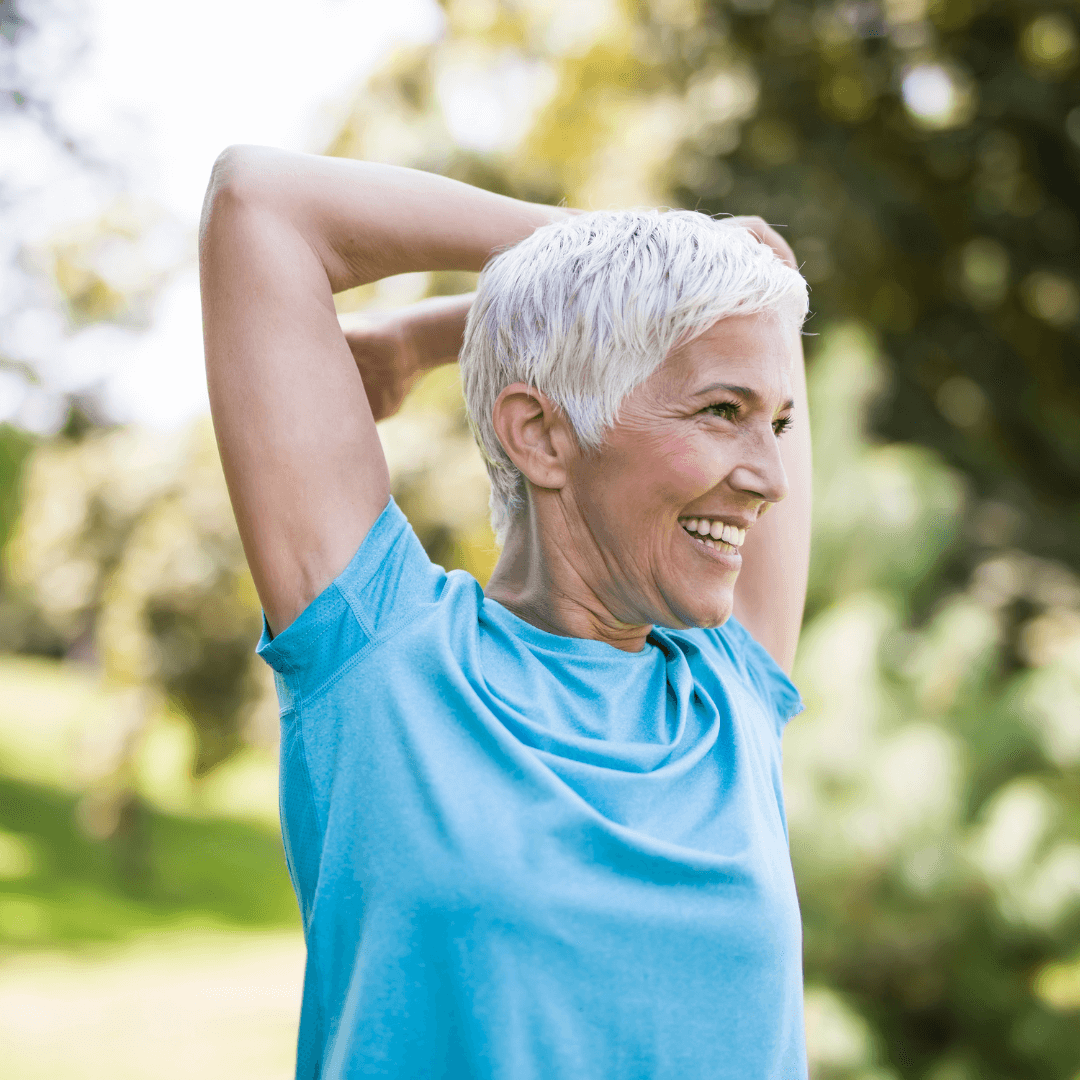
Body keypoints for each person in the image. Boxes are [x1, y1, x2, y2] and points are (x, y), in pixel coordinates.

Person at [199, 144, 813, 1080]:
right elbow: (259, 201)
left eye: (775, 423)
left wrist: (432, 335)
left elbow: (763, 295)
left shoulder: (733, 690)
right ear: (540, 436)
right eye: (722, 410)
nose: (769, 479)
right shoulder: (384, 663)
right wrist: (613, 258)